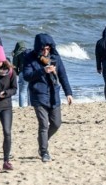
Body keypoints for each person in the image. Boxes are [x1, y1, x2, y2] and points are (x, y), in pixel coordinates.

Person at [23, 33, 74, 162]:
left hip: (53, 95)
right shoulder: (29, 58)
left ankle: (42, 139)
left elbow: (63, 75)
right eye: (43, 48)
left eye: (48, 48)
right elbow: (26, 76)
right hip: (38, 95)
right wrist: (43, 71)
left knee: (56, 124)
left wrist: (69, 93)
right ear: (38, 48)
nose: (46, 51)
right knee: (43, 125)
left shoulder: (55, 58)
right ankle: (44, 151)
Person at [11, 40, 30, 107]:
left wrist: (17, 74)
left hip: (23, 73)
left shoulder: (17, 54)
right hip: (31, 73)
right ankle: (30, 106)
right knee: (29, 91)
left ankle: (22, 107)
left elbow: (15, 67)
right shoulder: (29, 53)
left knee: (22, 92)